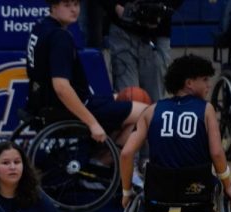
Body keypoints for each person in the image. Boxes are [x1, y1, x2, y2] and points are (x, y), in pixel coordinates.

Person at [119, 54, 231, 212]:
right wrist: (228, 186)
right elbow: (217, 153)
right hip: (198, 191)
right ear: (189, 83)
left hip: (160, 192)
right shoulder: (206, 109)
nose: (209, 84)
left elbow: (126, 154)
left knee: (159, 185)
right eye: (205, 79)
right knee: (213, 188)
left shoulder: (151, 110)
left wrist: (126, 191)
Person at [26, 0, 147, 147]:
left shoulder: (40, 27)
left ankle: (106, 155)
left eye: (76, 4)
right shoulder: (60, 37)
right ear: (53, 6)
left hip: (44, 103)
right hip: (69, 107)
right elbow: (61, 88)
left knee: (124, 98)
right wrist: (93, 123)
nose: (74, 10)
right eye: (67, 5)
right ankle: (106, 158)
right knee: (147, 113)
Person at [102, 0, 184, 103]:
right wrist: (115, 7)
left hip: (157, 33)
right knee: (128, 99)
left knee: (156, 99)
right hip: (123, 28)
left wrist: (162, 10)